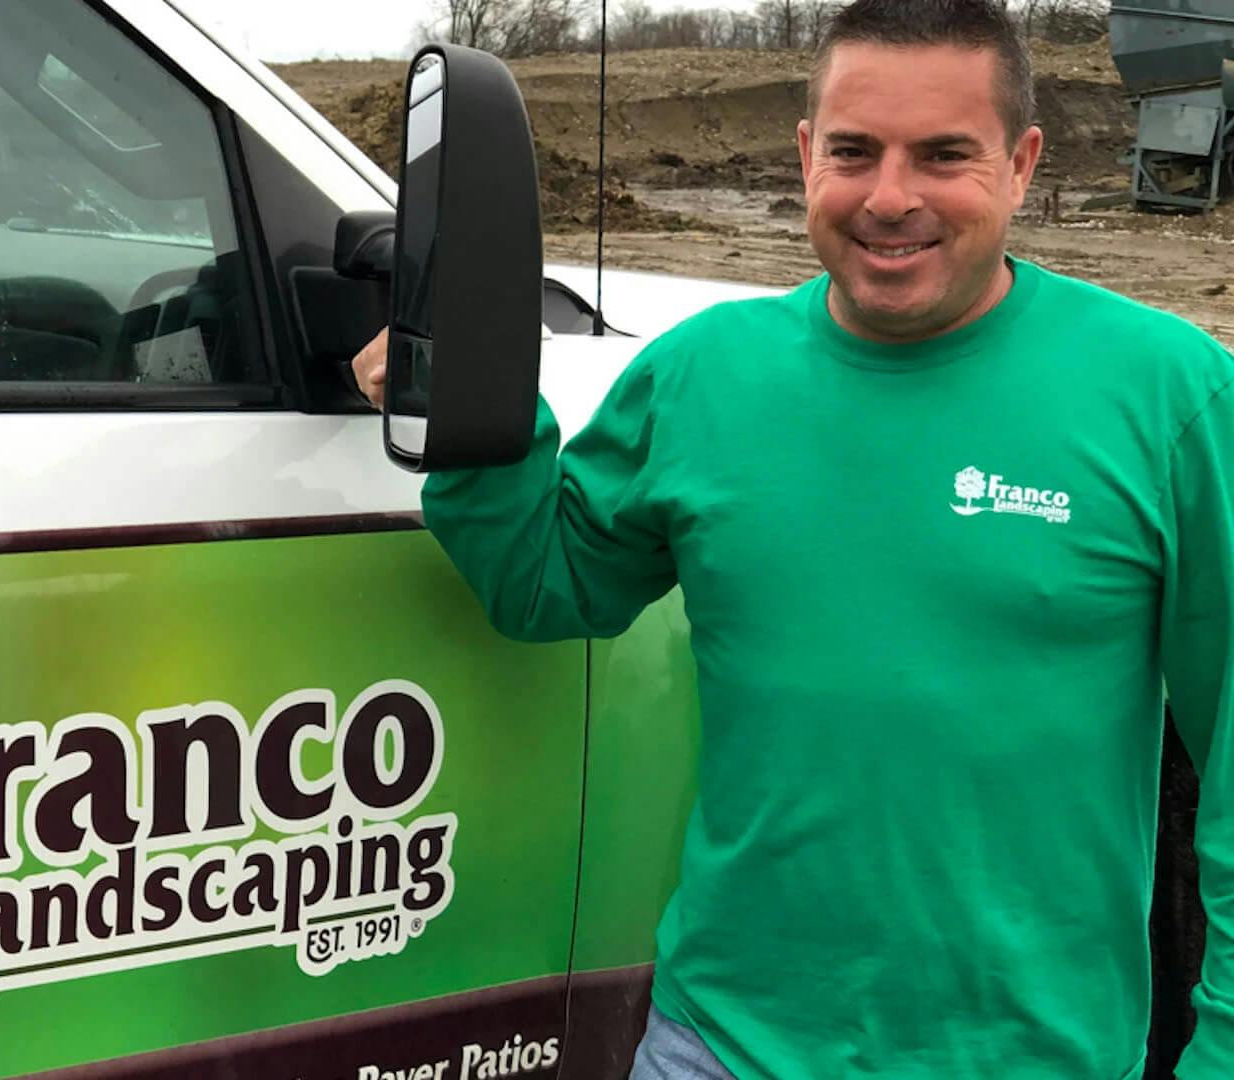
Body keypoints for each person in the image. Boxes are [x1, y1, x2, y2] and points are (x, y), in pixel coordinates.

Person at [351, 1, 1234, 1077]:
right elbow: (549, 585)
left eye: (944, 155)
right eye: (855, 152)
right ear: (807, 154)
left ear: (1021, 165)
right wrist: (471, 403)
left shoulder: (1166, 393)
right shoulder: (704, 375)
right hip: (722, 1046)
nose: (891, 196)